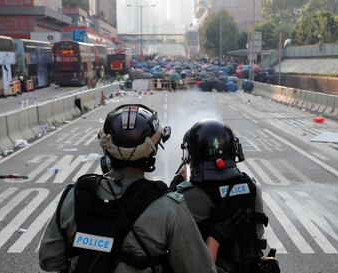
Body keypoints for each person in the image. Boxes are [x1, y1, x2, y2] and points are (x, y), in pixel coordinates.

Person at [39, 104, 217, 273]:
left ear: (107, 149)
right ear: (152, 151)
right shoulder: (171, 208)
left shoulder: (73, 196)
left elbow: (49, 259)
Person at [170, 119, 278, 273]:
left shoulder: (187, 195)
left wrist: (179, 180)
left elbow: (167, 226)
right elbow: (258, 232)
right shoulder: (252, 186)